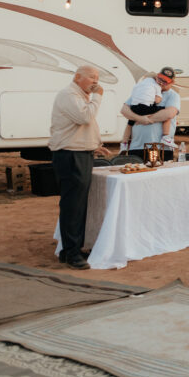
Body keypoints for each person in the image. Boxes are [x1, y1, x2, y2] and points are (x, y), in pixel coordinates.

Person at [49, 65, 112, 269]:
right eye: (92, 77)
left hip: (79, 153)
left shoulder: (79, 95)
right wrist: (98, 97)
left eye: (98, 78)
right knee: (73, 204)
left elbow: (82, 126)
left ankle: (70, 250)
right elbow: (84, 117)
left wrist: (94, 145)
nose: (96, 81)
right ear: (77, 77)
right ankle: (73, 253)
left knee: (78, 204)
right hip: (70, 155)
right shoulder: (69, 94)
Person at [119, 67, 177, 151]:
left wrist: (138, 118)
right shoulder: (156, 87)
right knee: (164, 111)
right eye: (160, 79)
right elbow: (123, 110)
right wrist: (141, 119)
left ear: (172, 82)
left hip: (159, 148)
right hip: (136, 147)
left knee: (130, 123)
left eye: (165, 81)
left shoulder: (173, 95)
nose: (161, 82)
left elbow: (169, 114)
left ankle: (124, 144)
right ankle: (166, 137)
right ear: (157, 77)